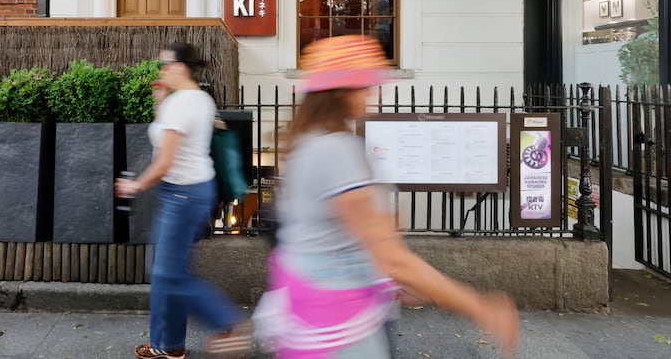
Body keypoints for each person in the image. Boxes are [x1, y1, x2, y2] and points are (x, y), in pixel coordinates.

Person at [253, 35, 520, 358]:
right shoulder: (336, 151)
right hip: (342, 331)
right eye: (365, 85)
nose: (372, 93)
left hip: (317, 319)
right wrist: (480, 308)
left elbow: (335, 240)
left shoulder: (308, 144)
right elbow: (390, 257)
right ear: (340, 92)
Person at [115, 42, 253, 359]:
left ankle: (228, 321)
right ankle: (169, 344)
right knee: (168, 271)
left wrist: (134, 186)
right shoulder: (198, 99)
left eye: (164, 65)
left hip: (182, 195)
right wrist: (160, 102)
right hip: (192, 192)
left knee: (167, 274)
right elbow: (172, 136)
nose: (160, 70)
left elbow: (164, 162)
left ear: (180, 67)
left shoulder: (183, 104)